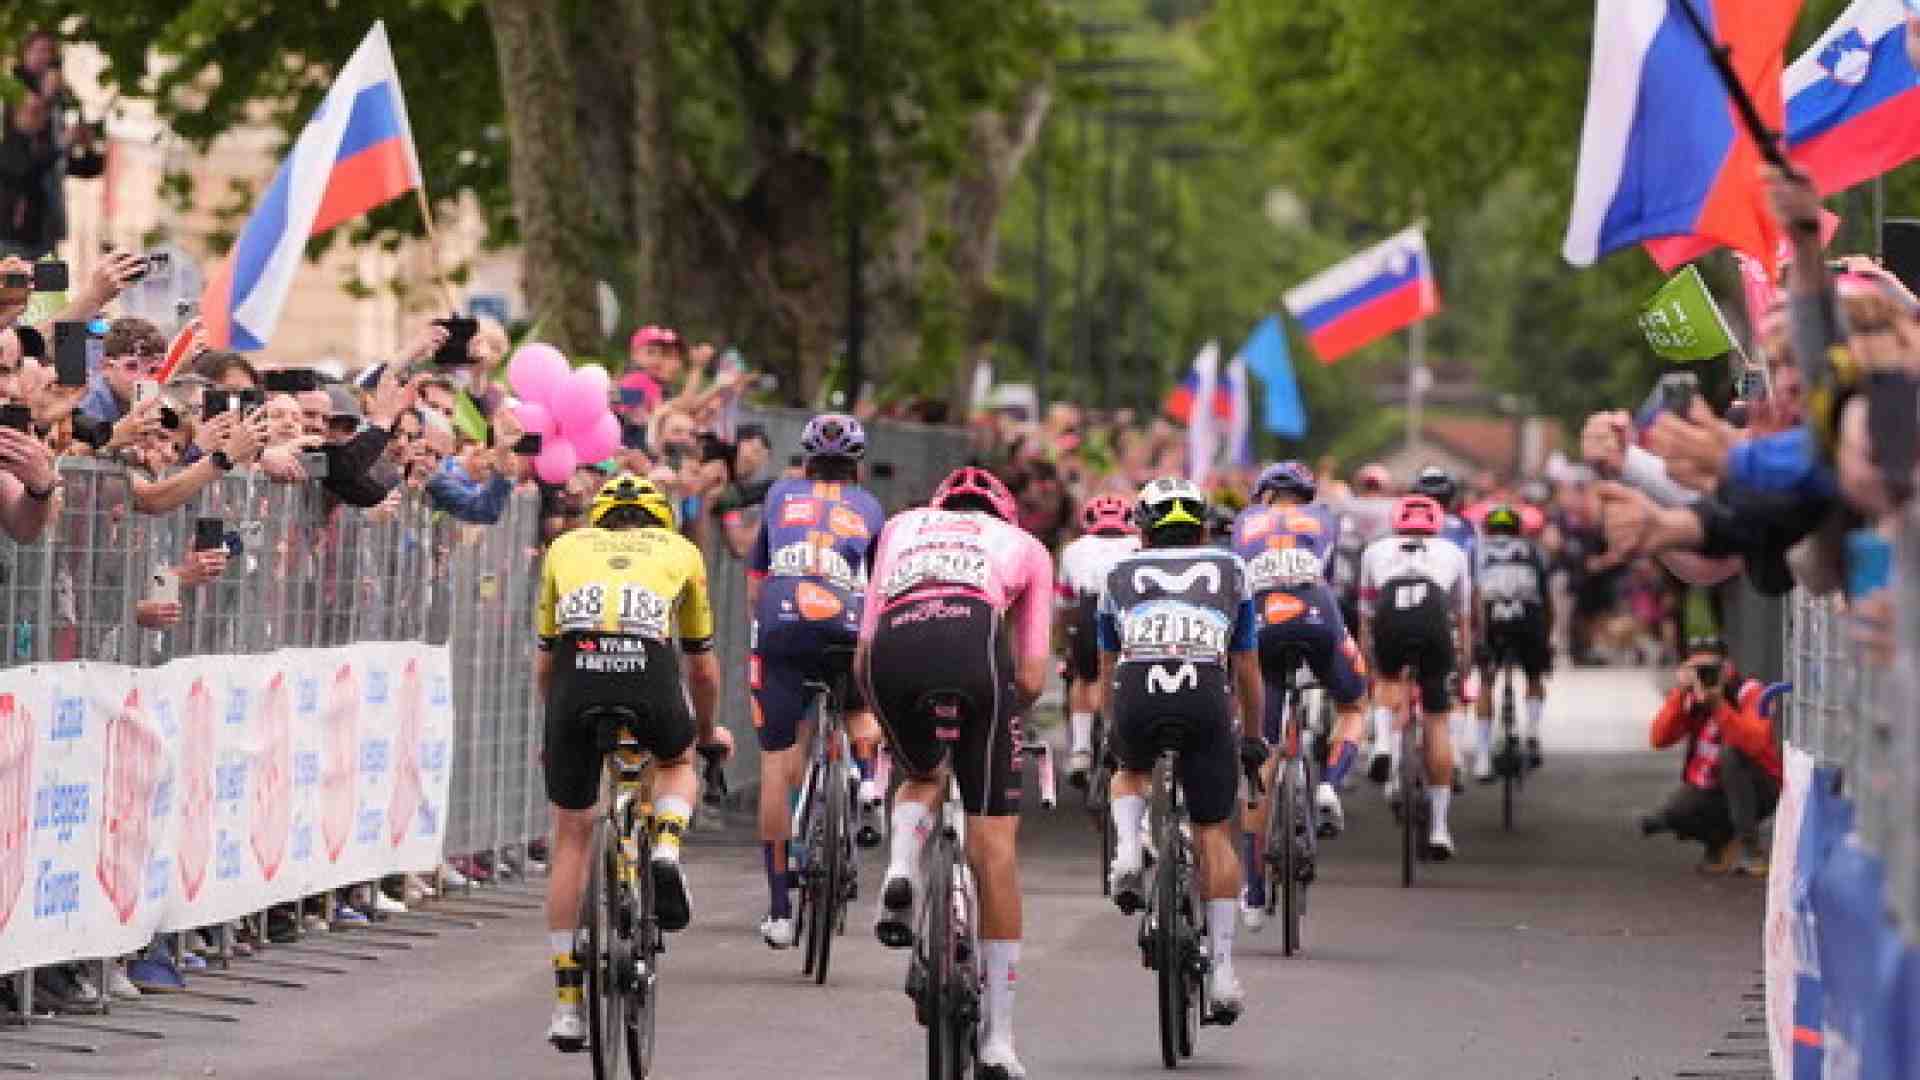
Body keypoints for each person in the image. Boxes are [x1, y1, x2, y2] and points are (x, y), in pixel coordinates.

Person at [857, 466, 1052, 1079]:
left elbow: (864, 648)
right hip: (974, 648)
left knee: (920, 773)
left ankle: (901, 870)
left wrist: (882, 715)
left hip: (893, 652)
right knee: (994, 850)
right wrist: (1003, 714)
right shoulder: (1026, 547)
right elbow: (1031, 677)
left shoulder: (899, 527)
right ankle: (999, 1039)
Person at [534, 473, 727, 1052]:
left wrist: (556, 726)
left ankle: (567, 1005)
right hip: (648, 674)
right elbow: (702, 667)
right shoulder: (680, 551)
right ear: (658, 519)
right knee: (676, 761)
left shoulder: (565, 547)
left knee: (571, 834)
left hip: (576, 679)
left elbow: (544, 662)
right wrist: (705, 733)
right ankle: (665, 846)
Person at [1100, 476, 1265, 1023]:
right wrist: (1252, 738)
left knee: (1128, 769)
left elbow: (1107, 666)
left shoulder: (1117, 572)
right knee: (1214, 830)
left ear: (1143, 530)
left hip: (1137, 688)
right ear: (1202, 529)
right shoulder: (1232, 568)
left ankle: (1128, 850)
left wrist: (1110, 733)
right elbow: (1246, 666)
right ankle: (1222, 973)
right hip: (1205, 691)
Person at [744, 414, 887, 950]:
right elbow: (878, 585)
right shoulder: (870, 507)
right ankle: (868, 780)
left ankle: (780, 911)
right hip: (845, 618)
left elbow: (755, 584)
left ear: (805, 461)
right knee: (858, 706)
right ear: (858, 466)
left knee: (776, 760)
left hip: (782, 618)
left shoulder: (779, 496)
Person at [1230, 462, 1369, 927]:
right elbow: (1334, 575)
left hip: (1262, 622)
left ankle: (1252, 891)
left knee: (1261, 754)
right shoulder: (1325, 517)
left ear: (1265, 496)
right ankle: (1329, 784)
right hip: (1317, 613)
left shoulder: (1244, 521)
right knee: (1354, 705)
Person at [1358, 494, 1472, 860]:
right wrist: (1464, 662)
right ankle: (1439, 828)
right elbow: (1462, 616)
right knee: (1437, 720)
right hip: (1434, 618)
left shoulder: (1375, 551)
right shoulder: (1454, 552)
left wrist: (1368, 663)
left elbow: (1365, 614)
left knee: (1388, 681)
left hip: (1390, 613)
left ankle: (1382, 745)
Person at [1640, 638, 1779, 875]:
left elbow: (1755, 744)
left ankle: (1750, 849)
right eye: (1697, 670)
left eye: (1710, 669)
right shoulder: (1691, 698)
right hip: (1713, 786)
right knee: (1674, 813)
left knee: (1732, 754)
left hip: (1759, 785)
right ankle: (1720, 842)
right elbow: (1659, 739)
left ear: (1727, 668)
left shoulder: (1749, 691)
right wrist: (1679, 694)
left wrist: (1718, 705)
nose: (1705, 676)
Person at [1055, 493, 1141, 786]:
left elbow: (1064, 604)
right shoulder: (1139, 546)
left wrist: (1063, 645)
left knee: (1084, 676)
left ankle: (1080, 750)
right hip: (1129, 611)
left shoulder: (1073, 550)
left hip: (1089, 609)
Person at [1471, 503, 1554, 779]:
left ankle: (1482, 757)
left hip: (1491, 618)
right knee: (1534, 676)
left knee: (1486, 682)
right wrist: (1547, 636)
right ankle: (1532, 732)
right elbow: (1546, 597)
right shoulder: (1534, 551)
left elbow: (1472, 595)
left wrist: (1474, 634)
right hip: (1528, 618)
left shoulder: (1478, 550)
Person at [1409, 465, 1480, 782]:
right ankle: (1455, 754)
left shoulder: (1404, 524)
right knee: (1453, 686)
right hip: (1450, 614)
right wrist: (1475, 632)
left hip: (1405, 609)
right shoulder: (1466, 528)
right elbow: (1475, 584)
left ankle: (1388, 745)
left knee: (1394, 678)